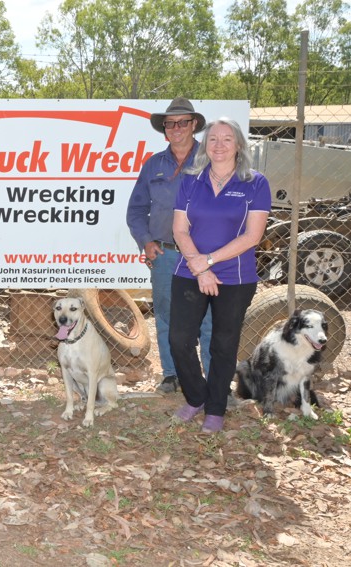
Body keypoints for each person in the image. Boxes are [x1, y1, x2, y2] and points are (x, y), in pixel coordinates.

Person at [169, 118, 270, 434]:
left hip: (235, 277)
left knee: (224, 344)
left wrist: (209, 261)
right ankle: (197, 396)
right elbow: (180, 230)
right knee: (179, 340)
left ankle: (215, 408)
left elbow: (252, 236)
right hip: (190, 271)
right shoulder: (191, 180)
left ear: (238, 145)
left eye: (227, 139)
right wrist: (200, 267)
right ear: (205, 145)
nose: (219, 145)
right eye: (213, 139)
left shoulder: (255, 183)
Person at [127, 97, 212, 394]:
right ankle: (171, 375)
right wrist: (146, 241)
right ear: (164, 129)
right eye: (170, 124)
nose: (176, 128)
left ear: (194, 125)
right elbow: (136, 210)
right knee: (166, 316)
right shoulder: (153, 165)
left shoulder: (211, 160)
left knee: (208, 318)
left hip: (204, 256)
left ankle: (213, 378)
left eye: (182, 122)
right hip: (165, 254)